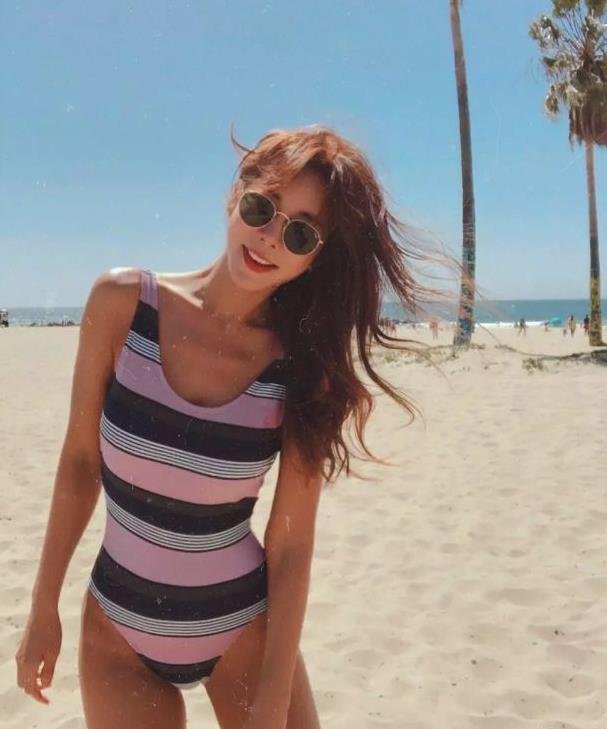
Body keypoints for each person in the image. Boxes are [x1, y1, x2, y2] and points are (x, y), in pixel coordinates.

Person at [15, 125, 440, 728]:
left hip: (244, 634)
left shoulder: (301, 370)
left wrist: (272, 699)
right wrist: (43, 607)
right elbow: (81, 463)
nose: (269, 237)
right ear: (235, 193)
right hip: (117, 633)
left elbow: (291, 546)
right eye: (262, 207)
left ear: (315, 257)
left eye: (299, 233)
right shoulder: (120, 305)